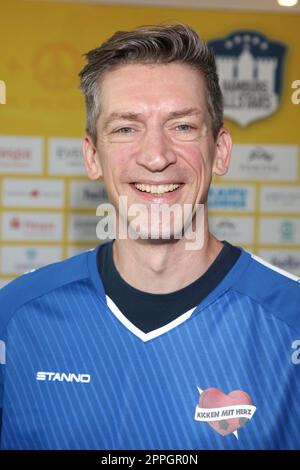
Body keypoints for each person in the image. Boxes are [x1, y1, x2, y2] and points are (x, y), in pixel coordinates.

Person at [0, 24, 299, 451]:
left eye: (182, 126)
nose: (156, 156)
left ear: (221, 151)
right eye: (126, 128)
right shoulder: (15, 317)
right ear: (92, 156)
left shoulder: (291, 320)